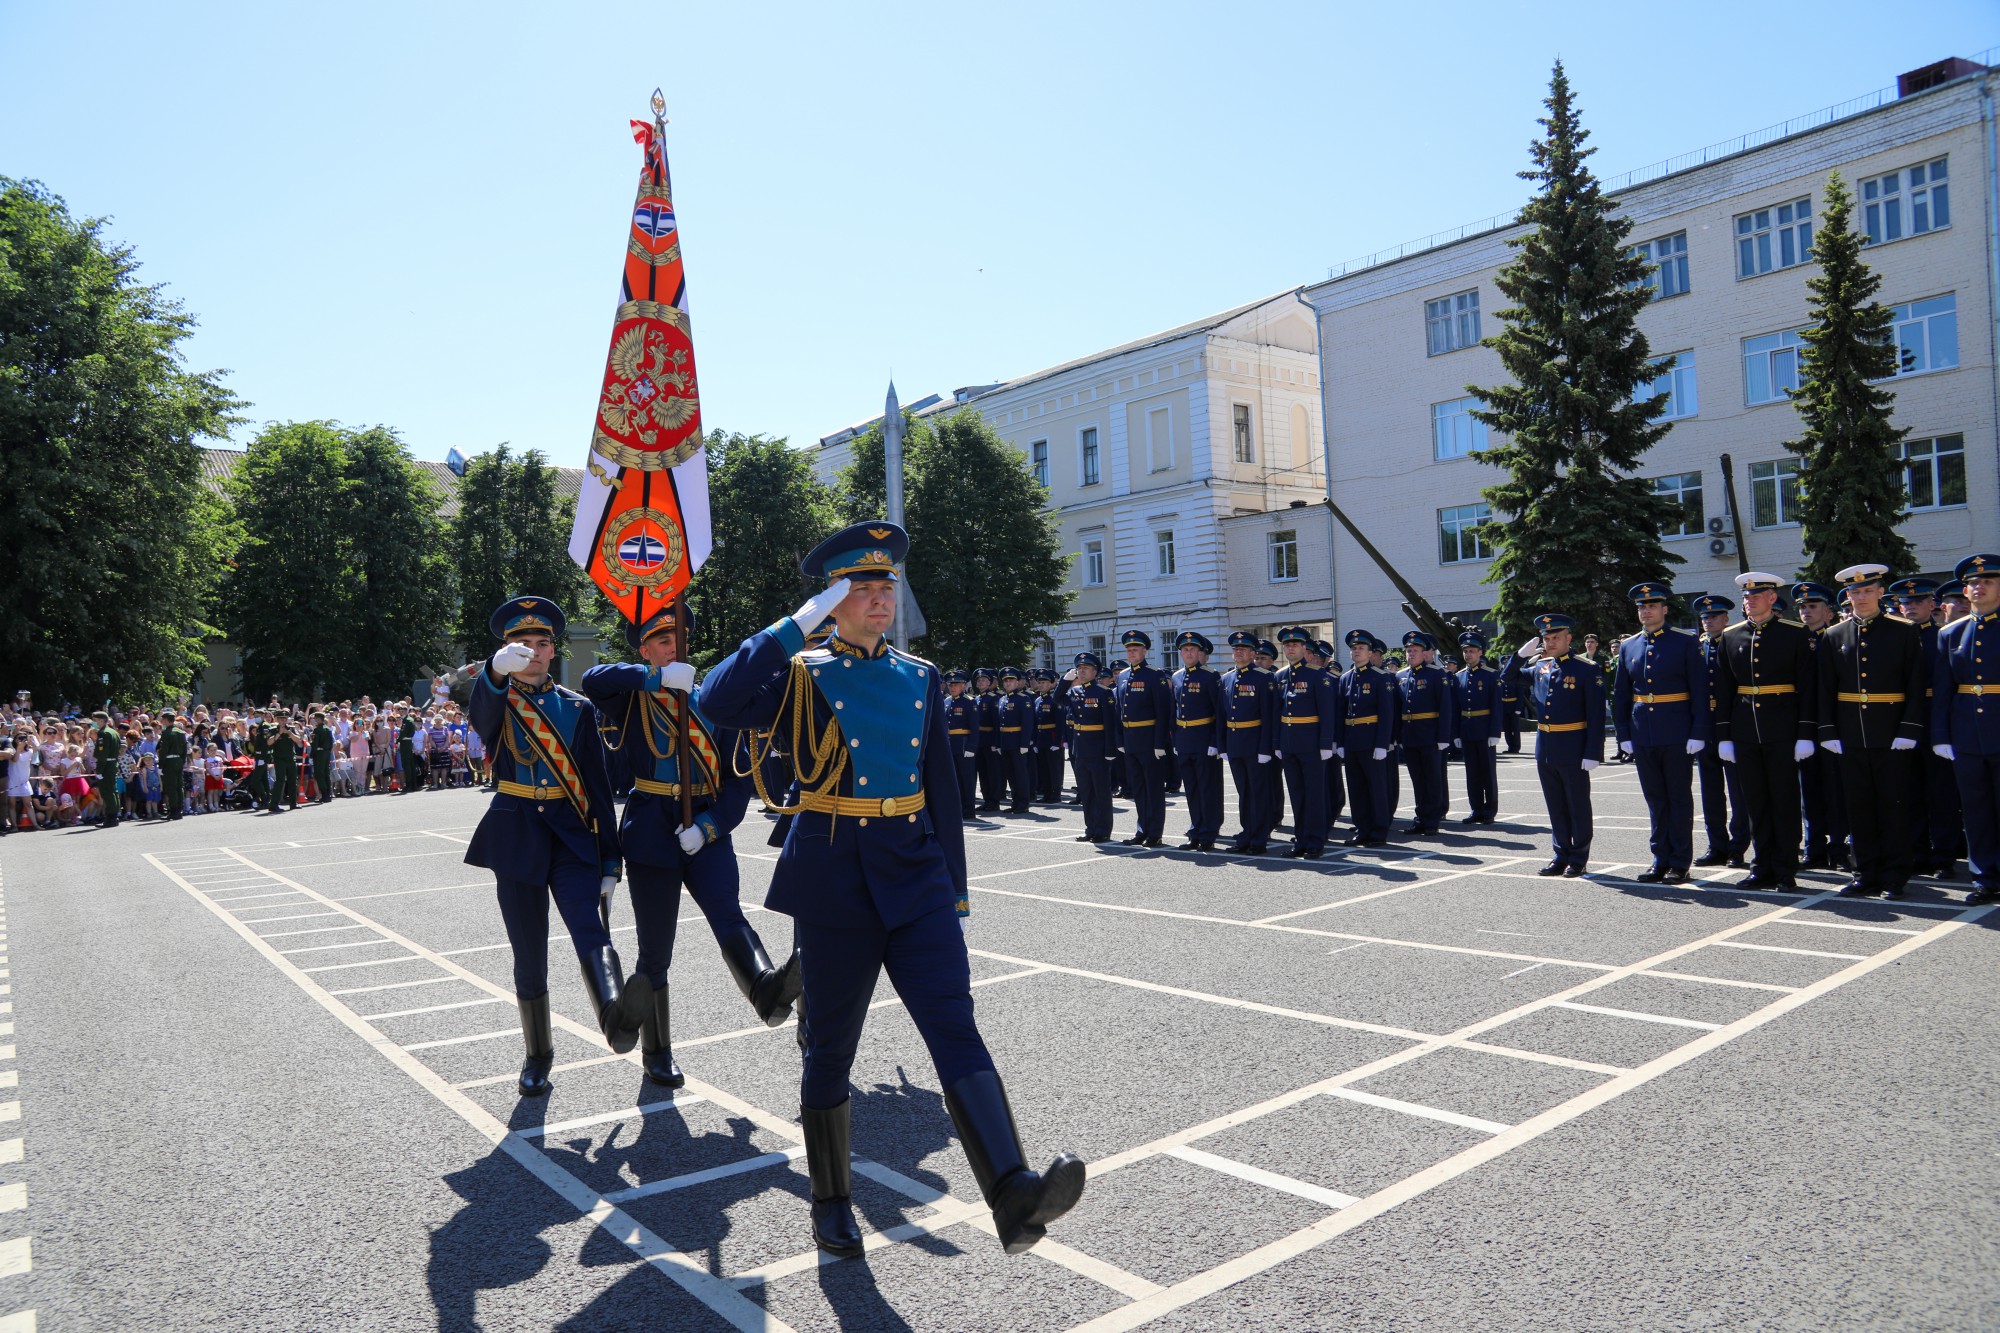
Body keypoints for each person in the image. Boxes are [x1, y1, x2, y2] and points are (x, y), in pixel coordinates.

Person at [700, 520, 1084, 1260]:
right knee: (832, 1047)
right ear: (834, 599)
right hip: (836, 872)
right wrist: (795, 623)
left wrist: (957, 890)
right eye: (862, 588)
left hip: (915, 873)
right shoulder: (801, 671)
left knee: (954, 1023)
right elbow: (718, 699)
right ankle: (832, 1197)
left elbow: (941, 788)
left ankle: (1011, 1191)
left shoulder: (920, 675)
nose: (881, 598)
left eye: (886, 585)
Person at [582, 602, 802, 1089]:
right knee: (656, 949)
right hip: (651, 831)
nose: (673, 647)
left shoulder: (716, 703)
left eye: (678, 640)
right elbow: (594, 680)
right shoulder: (632, 696)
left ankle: (767, 991)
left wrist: (709, 826)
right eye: (662, 641)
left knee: (728, 913)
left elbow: (738, 782)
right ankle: (656, 1053)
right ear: (645, 650)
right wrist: (653, 679)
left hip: (705, 828)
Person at [466, 594, 646, 1097]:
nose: (534, 651)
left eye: (542, 643)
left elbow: (595, 785)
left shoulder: (576, 707)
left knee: (589, 927)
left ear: (553, 650)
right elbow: (481, 717)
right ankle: (538, 1054)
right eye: (522, 643)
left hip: (571, 832)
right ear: (507, 650)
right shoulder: (497, 697)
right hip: (517, 830)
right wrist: (494, 674)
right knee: (530, 952)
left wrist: (611, 857)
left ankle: (615, 1017)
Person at [1814, 564, 1927, 900]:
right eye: (1854, 592)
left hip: (1892, 732)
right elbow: (1825, 687)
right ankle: (1864, 872)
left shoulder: (1904, 630)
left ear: (1881, 593)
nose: (1860, 597)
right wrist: (1827, 730)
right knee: (1858, 807)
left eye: (1867, 590)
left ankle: (1894, 876)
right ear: (1847, 596)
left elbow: (1916, 684)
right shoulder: (1834, 635)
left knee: (1893, 806)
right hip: (1849, 733)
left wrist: (1909, 728)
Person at [1712, 572, 1818, 891]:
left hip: (1783, 729)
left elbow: (1808, 688)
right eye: (1747, 597)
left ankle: (1785, 869)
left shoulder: (1795, 634)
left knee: (1784, 802)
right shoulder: (1731, 637)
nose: (1750, 601)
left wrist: (1805, 733)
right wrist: (1725, 736)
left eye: (1756, 595)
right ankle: (1762, 867)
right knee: (1755, 802)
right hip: (1745, 730)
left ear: (1772, 598)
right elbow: (1724, 689)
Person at [1612, 583, 1709, 884]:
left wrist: (1698, 731)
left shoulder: (1685, 641)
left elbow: (1700, 690)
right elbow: (1621, 694)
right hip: (1644, 734)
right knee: (1655, 799)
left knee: (1678, 799)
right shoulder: (1629, 646)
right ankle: (1659, 859)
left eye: (1652, 605)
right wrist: (1623, 733)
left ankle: (1680, 861)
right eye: (1641, 606)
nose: (1646, 610)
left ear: (1665, 609)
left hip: (1677, 731)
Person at [1502, 613, 1605, 876]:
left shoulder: (1586, 669)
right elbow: (1508, 678)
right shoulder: (1541, 667)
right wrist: (1519, 656)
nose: (1550, 642)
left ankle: (1579, 857)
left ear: (1569, 638)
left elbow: (1595, 716)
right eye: (1546, 638)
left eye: (1555, 637)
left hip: (1573, 746)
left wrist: (1593, 751)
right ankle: (1560, 854)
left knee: (1577, 805)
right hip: (1545, 746)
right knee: (1555, 805)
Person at [1932, 554, 2000, 905]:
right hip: (1966, 734)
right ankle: (1984, 877)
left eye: (1987, 581)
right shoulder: (1950, 633)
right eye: (1973, 582)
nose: (1979, 586)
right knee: (1975, 809)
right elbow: (1943, 689)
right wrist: (1941, 736)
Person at [1890, 576, 1966, 879]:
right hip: (1900, 721)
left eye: (1919, 601)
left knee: (1941, 792)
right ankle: (1918, 851)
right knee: (1909, 791)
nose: (1911, 607)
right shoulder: (1893, 638)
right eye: (1906, 602)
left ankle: (1944, 855)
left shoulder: (1943, 635)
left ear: (1932, 604)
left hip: (1934, 718)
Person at [1792, 583, 1851, 872]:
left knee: (1836, 789)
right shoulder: (1795, 640)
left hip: (1833, 724)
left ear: (1828, 611)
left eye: (1812, 606)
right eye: (1802, 607)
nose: (1806, 611)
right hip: (1803, 725)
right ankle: (1813, 848)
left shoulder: (1837, 639)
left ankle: (1838, 848)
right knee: (1809, 790)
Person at [1690, 596, 1750, 868]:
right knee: (1710, 792)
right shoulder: (1695, 647)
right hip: (1705, 727)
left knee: (1739, 793)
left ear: (1727, 618)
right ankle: (1717, 845)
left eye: (1714, 615)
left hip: (1733, 728)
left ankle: (1738, 847)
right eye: (1705, 616)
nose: (1709, 620)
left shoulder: (1735, 641)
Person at [1273, 627, 1337, 859]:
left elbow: (1327, 713)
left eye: (1295, 645)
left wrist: (1325, 744)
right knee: (1297, 794)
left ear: (1304, 649)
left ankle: (1315, 841)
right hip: (1289, 744)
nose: (1291, 649)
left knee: (1314, 795)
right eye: (1287, 645)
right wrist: (1277, 743)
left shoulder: (1317, 675)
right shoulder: (1279, 676)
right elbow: (1276, 714)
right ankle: (1300, 839)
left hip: (1311, 745)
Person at [1219, 631, 1279, 855]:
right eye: (1235, 649)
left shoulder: (1264, 678)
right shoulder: (1226, 679)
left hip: (1255, 744)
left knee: (1259, 792)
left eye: (1244, 649)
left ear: (1253, 653)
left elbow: (1269, 716)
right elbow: (1222, 715)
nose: (1239, 652)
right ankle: (1246, 834)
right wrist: (1223, 746)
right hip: (1235, 744)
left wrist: (1266, 748)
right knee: (1244, 793)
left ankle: (1259, 838)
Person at [1339, 631, 1398, 847]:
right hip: (1352, 741)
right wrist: (1340, 743)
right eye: (1354, 648)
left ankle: (1379, 830)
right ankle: (1362, 829)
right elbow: (1340, 713)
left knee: (1376, 787)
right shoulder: (1345, 678)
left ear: (1370, 653)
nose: (1356, 651)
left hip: (1372, 740)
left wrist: (1383, 743)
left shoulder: (1380, 677)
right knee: (1357, 788)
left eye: (1361, 648)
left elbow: (1387, 713)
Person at [1395, 631, 1456, 835]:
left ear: (1425, 653)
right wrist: (1399, 737)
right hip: (1410, 736)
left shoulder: (1436, 674)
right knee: (1417, 779)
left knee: (1432, 779)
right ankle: (1420, 817)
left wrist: (1443, 738)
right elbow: (1398, 710)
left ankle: (1432, 820)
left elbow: (1445, 708)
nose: (1411, 654)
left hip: (1430, 735)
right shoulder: (1401, 676)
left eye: (1415, 650)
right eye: (1409, 651)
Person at [1169, 632, 1224, 852]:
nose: (1188, 653)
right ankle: (1196, 830)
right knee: (1191, 788)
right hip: (1184, 740)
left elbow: (1218, 712)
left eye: (1192, 650)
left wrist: (1214, 741)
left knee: (1208, 788)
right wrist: (1175, 738)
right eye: (1185, 650)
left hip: (1204, 739)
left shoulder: (1210, 676)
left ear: (1200, 653)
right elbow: (1174, 710)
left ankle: (1209, 832)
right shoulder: (1176, 676)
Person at [1115, 631, 1170, 848]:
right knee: (1138, 788)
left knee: (1153, 788)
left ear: (1145, 651)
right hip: (1130, 740)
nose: (1132, 653)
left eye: (1135, 649)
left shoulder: (1155, 675)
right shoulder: (1124, 675)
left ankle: (1155, 832)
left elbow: (1163, 712)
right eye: (1129, 650)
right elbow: (1119, 709)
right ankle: (1142, 829)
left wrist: (1159, 743)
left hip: (1149, 740)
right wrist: (1120, 739)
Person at [1064, 652, 1120, 843]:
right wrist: (1066, 681)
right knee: (1086, 792)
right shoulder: (1074, 692)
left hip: (1098, 749)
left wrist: (1110, 750)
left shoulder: (1104, 693)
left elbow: (1111, 724)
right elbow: (1058, 699)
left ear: (1095, 672)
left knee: (1101, 792)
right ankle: (1090, 828)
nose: (1081, 671)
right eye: (1079, 668)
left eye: (1085, 668)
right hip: (1080, 749)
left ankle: (1103, 830)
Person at [1453, 632, 1502, 823]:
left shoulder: (1490, 675)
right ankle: (1476, 808)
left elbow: (1496, 706)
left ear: (1480, 653)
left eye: (1471, 651)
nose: (1468, 655)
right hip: (1467, 730)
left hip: (1485, 729)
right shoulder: (1459, 677)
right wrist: (1456, 733)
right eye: (1465, 651)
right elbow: (1456, 708)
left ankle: (1489, 810)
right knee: (1472, 772)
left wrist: (1495, 732)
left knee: (1487, 772)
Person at [994, 668, 1034, 815]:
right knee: (1010, 774)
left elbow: (1027, 723)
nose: (1008, 683)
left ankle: (1023, 803)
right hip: (1005, 742)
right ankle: (1015, 802)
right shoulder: (1003, 699)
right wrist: (998, 744)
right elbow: (999, 724)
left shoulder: (1023, 699)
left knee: (1020, 774)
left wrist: (1025, 743)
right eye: (1006, 681)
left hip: (1017, 742)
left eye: (1011, 680)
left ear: (1017, 682)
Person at [941, 670, 979, 819]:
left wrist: (971, 747)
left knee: (967, 779)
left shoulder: (970, 701)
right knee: (954, 779)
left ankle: (969, 809)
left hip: (964, 745)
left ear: (963, 685)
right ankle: (958, 808)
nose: (952, 687)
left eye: (956, 684)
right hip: (951, 745)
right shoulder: (947, 701)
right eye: (951, 684)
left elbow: (974, 727)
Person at [1031, 669, 1066, 803]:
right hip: (1041, 739)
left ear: (1052, 684)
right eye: (1039, 682)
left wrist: (1057, 742)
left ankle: (1055, 794)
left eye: (1044, 682)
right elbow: (1035, 723)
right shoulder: (1038, 700)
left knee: (1054, 768)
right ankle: (1046, 793)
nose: (1040, 685)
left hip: (1052, 738)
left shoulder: (1054, 699)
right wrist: (1034, 742)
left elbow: (1060, 723)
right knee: (1043, 768)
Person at [91, 710, 121, 828]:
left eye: (96, 720)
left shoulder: (103, 733)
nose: (95, 723)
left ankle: (111, 818)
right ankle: (114, 816)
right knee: (113, 791)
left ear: (102, 720)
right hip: (112, 764)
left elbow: (103, 754)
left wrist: (99, 771)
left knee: (107, 792)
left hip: (107, 765)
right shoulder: (113, 732)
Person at [158, 710, 188, 821]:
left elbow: (163, 751)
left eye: (163, 719)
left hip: (169, 762)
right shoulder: (181, 732)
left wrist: (161, 766)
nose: (162, 721)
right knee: (179, 786)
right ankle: (179, 809)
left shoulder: (167, 733)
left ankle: (174, 810)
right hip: (179, 761)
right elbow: (185, 750)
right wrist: (183, 761)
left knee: (171, 787)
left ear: (166, 720)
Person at [310, 709, 335, 804]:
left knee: (319, 773)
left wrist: (312, 754)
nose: (315, 720)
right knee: (326, 773)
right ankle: (328, 793)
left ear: (319, 719)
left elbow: (314, 744)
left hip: (319, 753)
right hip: (326, 753)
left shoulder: (317, 730)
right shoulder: (328, 729)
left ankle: (324, 793)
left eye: (316, 719)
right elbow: (331, 743)